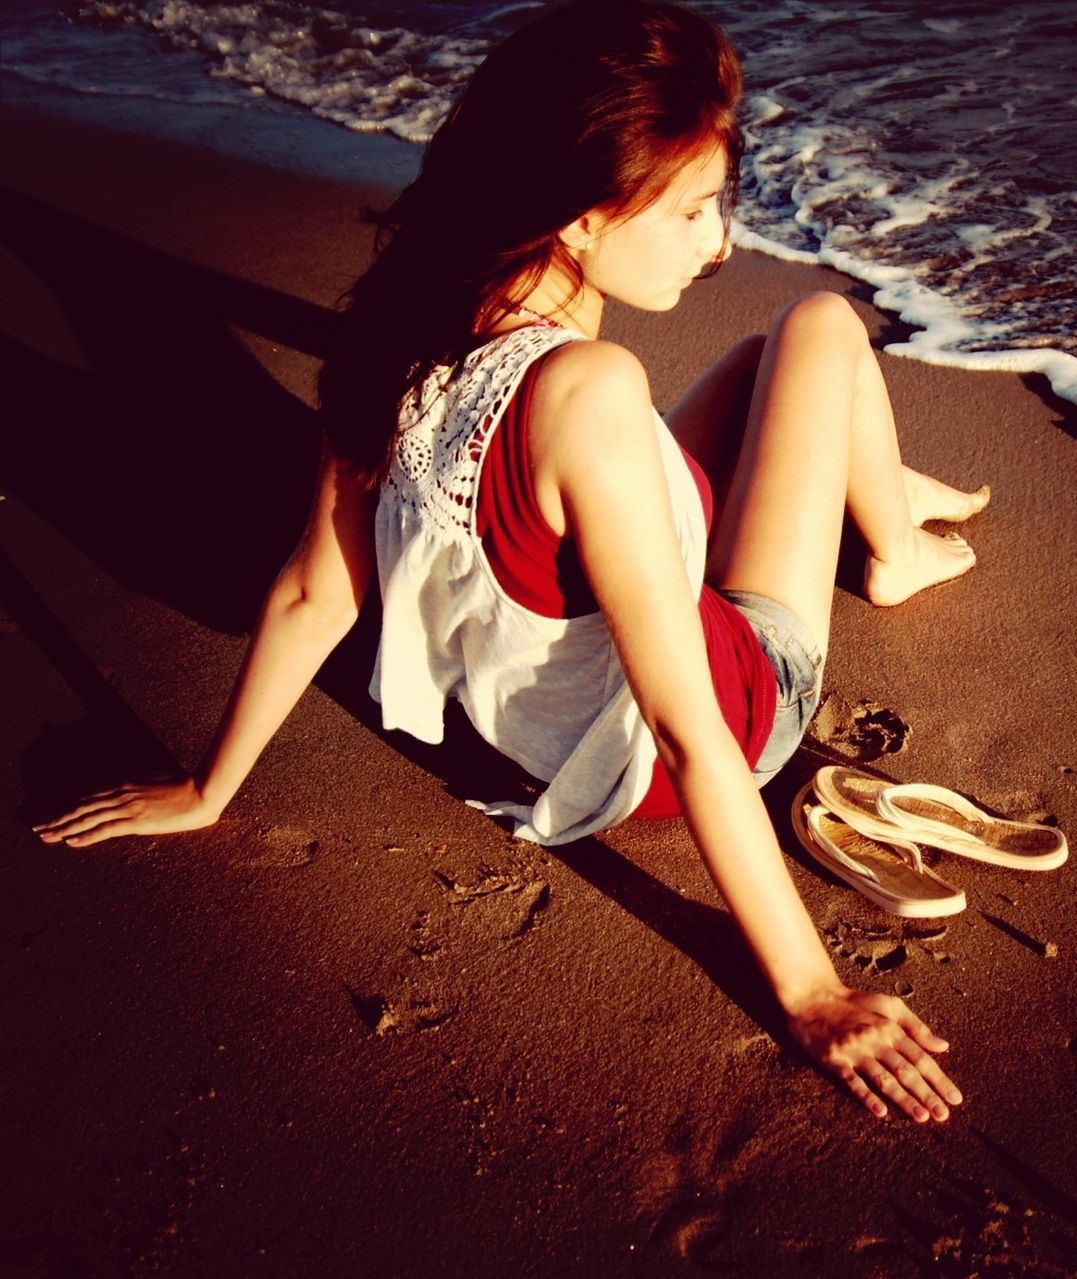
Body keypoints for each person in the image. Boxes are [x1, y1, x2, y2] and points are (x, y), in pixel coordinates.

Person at [34, 0, 988, 1122]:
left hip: (533, 728)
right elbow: (690, 727)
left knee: (745, 362)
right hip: (717, 718)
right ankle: (891, 544)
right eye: (689, 212)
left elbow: (309, 590)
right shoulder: (588, 393)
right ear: (581, 219)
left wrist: (207, 790)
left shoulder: (398, 326)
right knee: (817, 328)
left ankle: (881, 497)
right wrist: (813, 990)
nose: (717, 243)